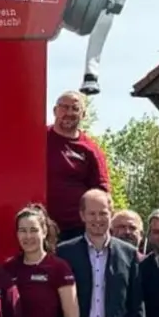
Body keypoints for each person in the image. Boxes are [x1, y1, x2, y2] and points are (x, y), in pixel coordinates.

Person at [57, 189, 146, 317]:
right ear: (82, 215)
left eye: (103, 213)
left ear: (111, 215)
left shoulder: (128, 254)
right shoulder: (64, 253)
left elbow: (136, 307)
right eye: (92, 213)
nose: (98, 219)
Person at [0, 205, 79, 317]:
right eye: (23, 231)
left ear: (44, 232)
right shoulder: (8, 268)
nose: (28, 236)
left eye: (33, 230)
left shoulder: (59, 267)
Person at [45, 91, 111, 240]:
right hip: (39, 226)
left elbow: (102, 192)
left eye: (75, 109)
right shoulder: (38, 137)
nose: (69, 113)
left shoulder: (90, 149)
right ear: (55, 111)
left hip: (75, 229)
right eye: (64, 107)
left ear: (83, 114)